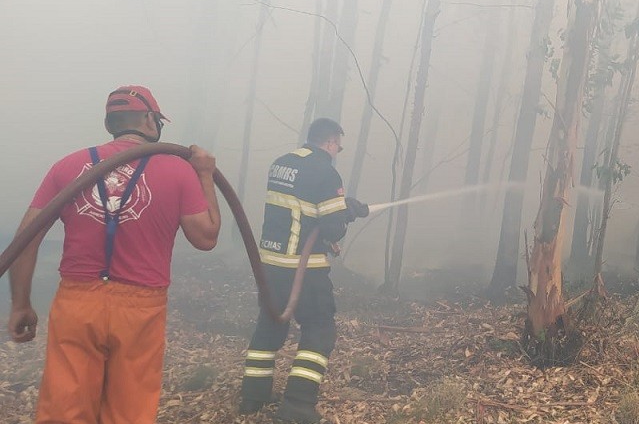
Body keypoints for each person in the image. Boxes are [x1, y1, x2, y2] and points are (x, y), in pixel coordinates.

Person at [5, 85, 222, 423]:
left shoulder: (68, 166)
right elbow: (206, 237)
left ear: (111, 124)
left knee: (64, 410)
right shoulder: (179, 170)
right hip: (141, 308)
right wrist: (205, 174)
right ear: (150, 119)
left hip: (77, 305)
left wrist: (20, 303)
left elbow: (26, 238)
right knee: (129, 412)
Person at [239, 117, 368, 423]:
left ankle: (252, 397)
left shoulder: (281, 164)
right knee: (320, 329)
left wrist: (336, 210)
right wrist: (346, 211)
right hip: (304, 270)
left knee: (270, 325)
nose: (338, 150)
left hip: (270, 265)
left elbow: (300, 213)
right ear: (330, 142)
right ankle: (297, 406)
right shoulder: (325, 171)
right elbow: (333, 227)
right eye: (338, 144)